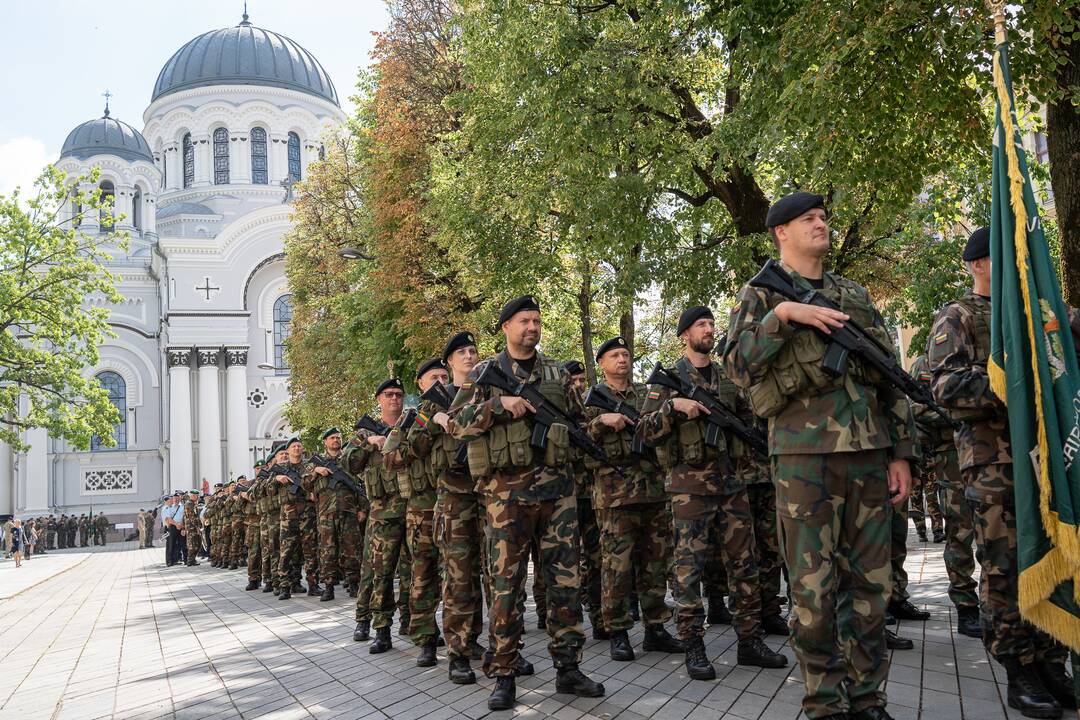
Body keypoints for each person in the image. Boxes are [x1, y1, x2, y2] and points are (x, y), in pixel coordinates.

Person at [725, 191, 916, 720]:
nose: (820, 224)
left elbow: (888, 378)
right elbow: (737, 369)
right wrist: (783, 316)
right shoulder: (761, 296)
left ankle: (867, 698)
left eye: (823, 217)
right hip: (803, 460)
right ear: (780, 233)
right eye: (808, 218)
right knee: (813, 594)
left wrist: (902, 452)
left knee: (871, 591)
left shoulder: (852, 294)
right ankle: (825, 704)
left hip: (868, 455)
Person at [929, 226, 1072, 717]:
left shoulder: (1038, 311)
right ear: (977, 265)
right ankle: (1018, 665)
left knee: (1051, 560)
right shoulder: (958, 316)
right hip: (995, 466)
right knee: (1005, 567)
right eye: (1000, 256)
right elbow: (945, 388)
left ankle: (1053, 658)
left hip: (1046, 462)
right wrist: (1012, 378)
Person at [450, 295, 604, 710]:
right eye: (524, 321)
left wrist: (600, 424)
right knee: (506, 588)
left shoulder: (556, 371)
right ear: (505, 327)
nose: (532, 327)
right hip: (507, 499)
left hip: (557, 496)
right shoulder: (485, 373)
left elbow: (578, 422)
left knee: (565, 584)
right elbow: (457, 424)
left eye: (537, 321)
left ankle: (568, 668)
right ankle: (503, 672)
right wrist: (498, 405)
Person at [638, 305, 784, 680]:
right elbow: (645, 431)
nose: (708, 329)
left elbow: (751, 423)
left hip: (732, 485)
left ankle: (749, 641)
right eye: (700, 325)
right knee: (689, 570)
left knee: (744, 565)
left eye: (710, 324)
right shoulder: (668, 380)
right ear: (684, 335)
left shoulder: (728, 378)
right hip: (690, 491)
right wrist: (673, 408)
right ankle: (693, 645)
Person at [584, 336, 685, 661]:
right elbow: (579, 442)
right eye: (614, 355)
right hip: (615, 496)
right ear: (602, 363)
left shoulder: (647, 394)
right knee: (617, 567)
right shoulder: (593, 401)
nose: (622, 360)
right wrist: (601, 422)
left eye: (625, 354)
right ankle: (618, 631)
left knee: (655, 564)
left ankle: (655, 627)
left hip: (654, 492)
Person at [429, 331, 490, 684]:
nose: (469, 356)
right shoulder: (433, 402)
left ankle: (489, 645)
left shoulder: (488, 391)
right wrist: (435, 419)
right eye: (461, 353)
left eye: (472, 351)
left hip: (490, 494)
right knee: (458, 577)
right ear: (449, 361)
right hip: (454, 498)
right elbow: (410, 447)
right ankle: (458, 652)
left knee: (496, 576)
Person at [384, 359, 447, 667]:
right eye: (433, 377)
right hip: (422, 508)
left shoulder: (461, 406)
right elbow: (391, 459)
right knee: (423, 574)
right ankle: (425, 638)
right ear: (421, 384)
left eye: (443, 376)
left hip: (458, 502)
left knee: (464, 575)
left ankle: (466, 638)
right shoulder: (412, 420)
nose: (440, 381)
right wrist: (430, 423)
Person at [345, 378, 412, 651]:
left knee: (414, 570)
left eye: (398, 394)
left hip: (413, 508)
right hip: (383, 511)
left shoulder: (411, 427)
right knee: (378, 572)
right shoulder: (364, 434)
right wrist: (369, 443)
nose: (394, 399)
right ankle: (379, 626)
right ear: (378, 399)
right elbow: (349, 462)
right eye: (388, 394)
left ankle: (412, 620)